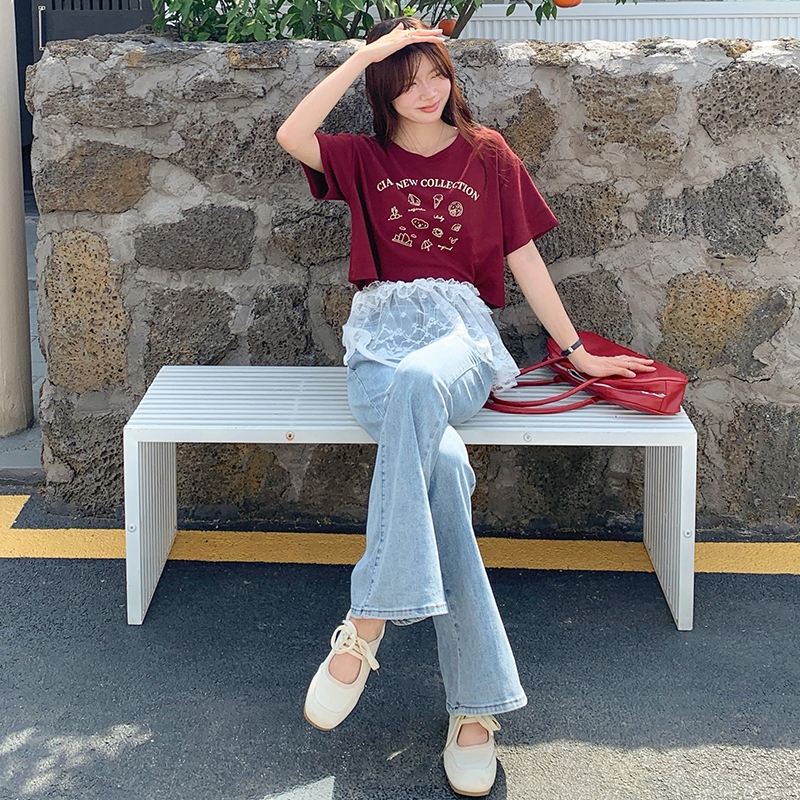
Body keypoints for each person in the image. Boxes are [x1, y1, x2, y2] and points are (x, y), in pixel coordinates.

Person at [276, 17, 655, 797]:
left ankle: (367, 622)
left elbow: (524, 257)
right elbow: (293, 133)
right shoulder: (363, 157)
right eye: (407, 79)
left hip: (459, 346)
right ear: (384, 89)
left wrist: (575, 349)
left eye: (436, 73)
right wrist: (367, 53)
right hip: (379, 350)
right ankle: (476, 709)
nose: (426, 91)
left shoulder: (488, 154)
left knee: (424, 385)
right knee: (444, 469)